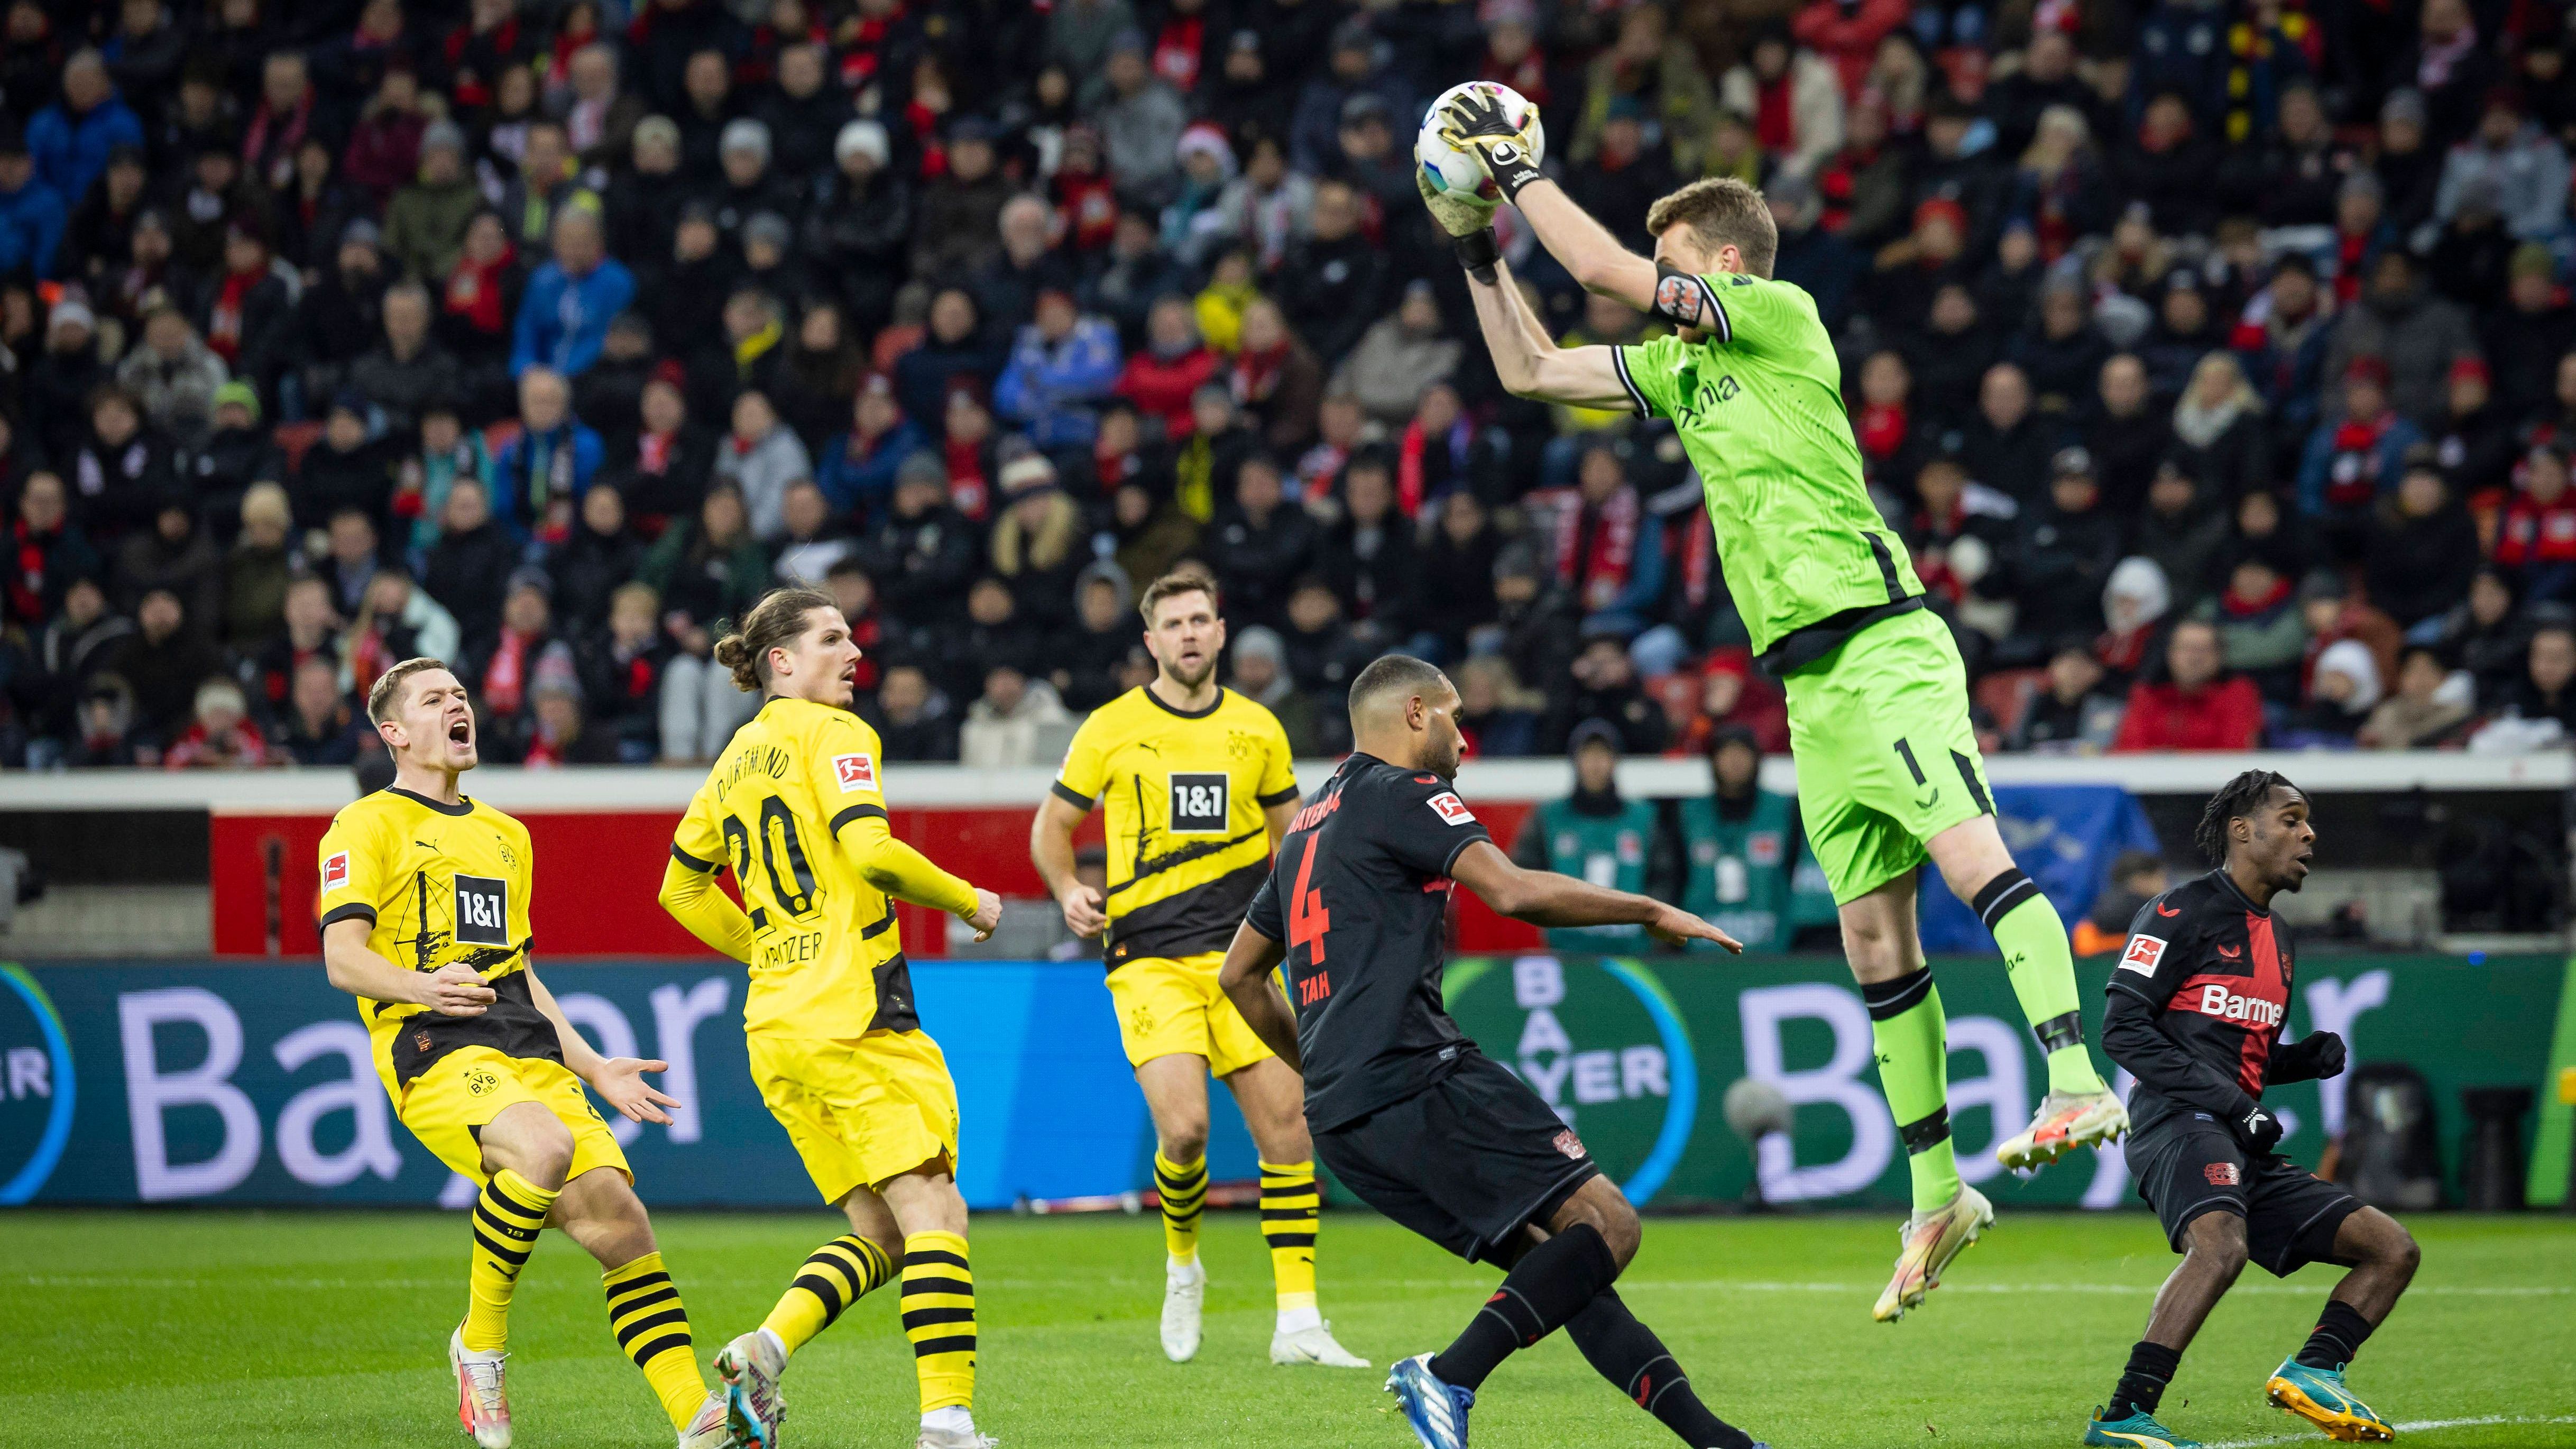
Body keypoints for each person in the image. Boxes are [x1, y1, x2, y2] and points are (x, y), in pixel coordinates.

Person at [1421, 118, 2123, 1317]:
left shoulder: (1782, 317)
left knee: (1970, 862)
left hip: (1884, 644)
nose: (1658, 286)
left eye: (1676, 260)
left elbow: (1598, 274)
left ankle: (2075, 1074)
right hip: (1808, 688)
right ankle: (1938, 1192)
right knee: (1871, 943)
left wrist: (1526, 169)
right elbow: (1533, 370)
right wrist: (1480, 247)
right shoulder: (1686, 372)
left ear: (1724, 266)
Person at [1216, 654, 1763, 1449]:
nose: (1463, 739)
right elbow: (1510, 890)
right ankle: (1448, 1376)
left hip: (1347, 1121)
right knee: (1610, 1226)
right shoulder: (1403, 792)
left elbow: (1239, 975)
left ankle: (1718, 1443)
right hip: (1413, 1076)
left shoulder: (1306, 825)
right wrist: (1650, 908)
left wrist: (1324, 1067)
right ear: (1412, 715)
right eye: (1453, 715)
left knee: (1566, 1274)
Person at [315, 657, 731, 1449]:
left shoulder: (507, 835)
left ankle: (696, 1418)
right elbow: (343, 958)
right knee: (542, 1147)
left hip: (525, 1045)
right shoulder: (365, 824)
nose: (457, 706)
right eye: (434, 700)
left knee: (621, 1221)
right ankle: (481, 1346)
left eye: (461, 695)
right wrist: (421, 987)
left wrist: (593, 1062)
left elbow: (521, 974)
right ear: (395, 732)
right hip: (431, 1039)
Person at [656, 587, 1006, 1449]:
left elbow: (678, 889)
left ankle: (763, 1351)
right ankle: (947, 1424)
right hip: (852, 1016)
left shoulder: (734, 759)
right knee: (936, 1210)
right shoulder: (837, 733)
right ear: (782, 660)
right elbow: (873, 852)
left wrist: (771, 946)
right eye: (832, 639)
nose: (854, 652)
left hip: (774, 1028)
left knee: (881, 1233)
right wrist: (971, 899)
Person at [1028, 565, 1366, 1370]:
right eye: (1172, 624)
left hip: (1244, 963)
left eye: (1199, 621)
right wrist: (1069, 886)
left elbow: (1297, 844)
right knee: (1183, 1132)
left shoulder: (1259, 729)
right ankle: (1183, 1267)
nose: (1187, 634)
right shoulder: (1110, 727)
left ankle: (1298, 1321)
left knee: (1289, 1132)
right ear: (1151, 641)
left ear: (1220, 632)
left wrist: (1316, 932)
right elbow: (1052, 826)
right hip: (1148, 960)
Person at [2085, 772, 2418, 1448]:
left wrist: (2298, 1061)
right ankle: (2123, 1415)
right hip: (2178, 1123)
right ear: (2243, 830)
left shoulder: (2281, 938)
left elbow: (2235, 1053)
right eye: (2291, 820)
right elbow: (2123, 1030)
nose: (2308, 834)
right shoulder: (2179, 911)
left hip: (2235, 1132)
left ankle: (2316, 1368)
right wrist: (2238, 1104)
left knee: (2391, 1249)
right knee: (2221, 1247)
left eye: (2309, 822)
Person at [1511, 719, 1657, 951]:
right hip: (1566, 951)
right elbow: (1523, 873)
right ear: (1575, 761)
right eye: (1588, 755)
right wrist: (1550, 913)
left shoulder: (1644, 818)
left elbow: (1664, 877)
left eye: (1603, 755)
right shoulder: (1549, 817)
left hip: (1633, 951)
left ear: (1615, 761)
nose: (1595, 764)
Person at [1670, 723, 1797, 952]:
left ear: (1757, 760)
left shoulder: (1785, 811)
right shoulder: (1688, 815)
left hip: (1772, 950)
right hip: (1701, 954)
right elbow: (1674, 880)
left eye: (1742, 753)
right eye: (1726, 753)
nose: (1735, 761)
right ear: (1713, 761)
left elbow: (1796, 875)